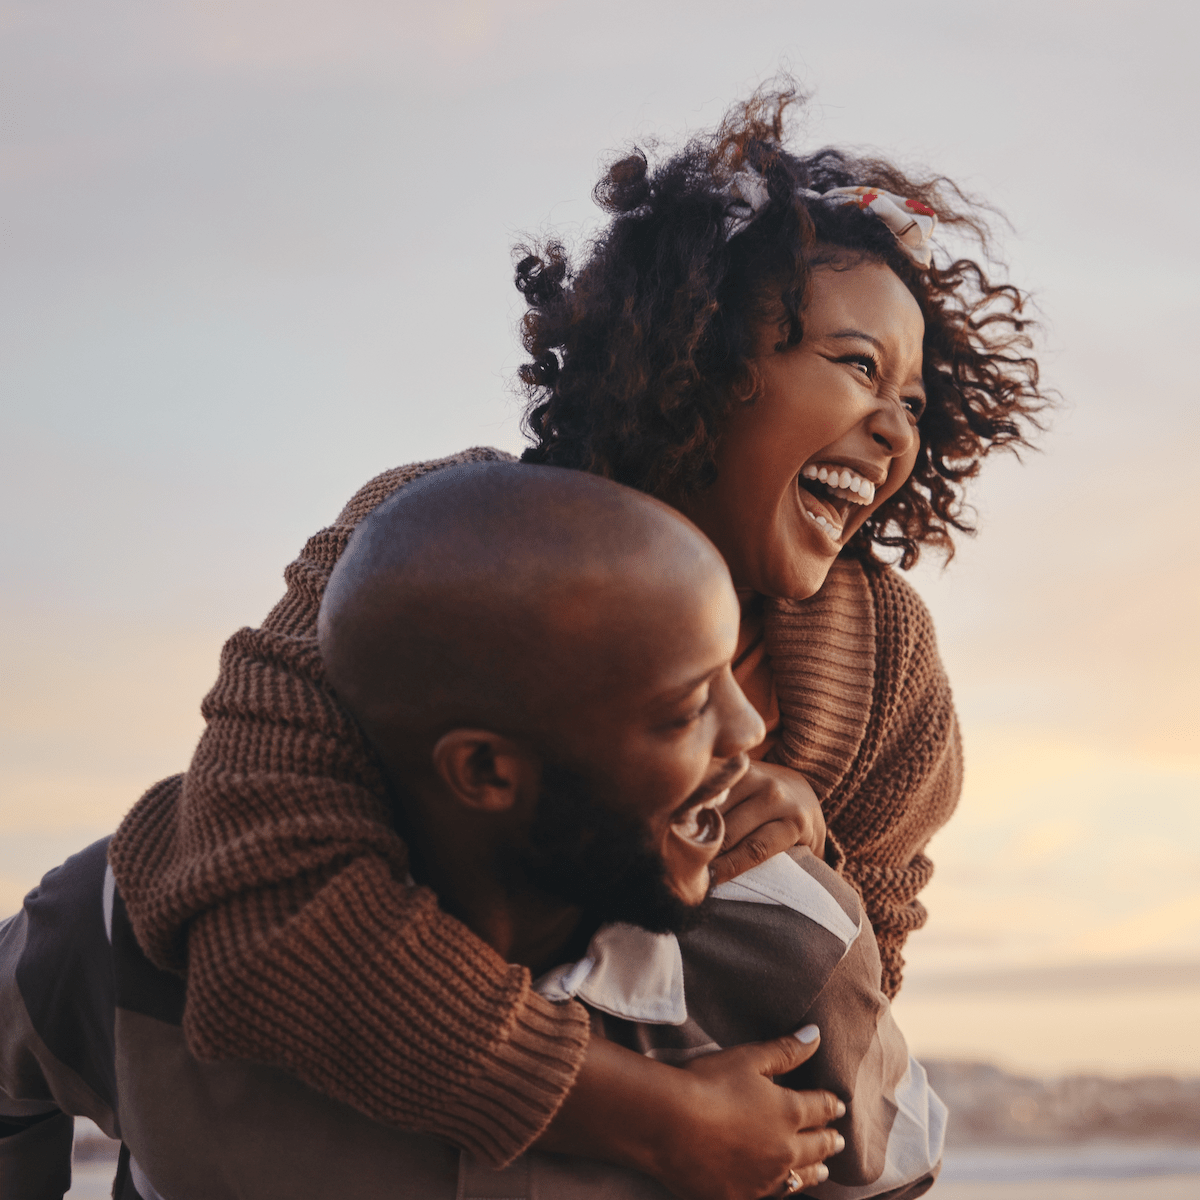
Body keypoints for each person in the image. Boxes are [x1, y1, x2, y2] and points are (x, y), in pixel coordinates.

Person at [106, 86, 1046, 1198]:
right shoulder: (431, 545)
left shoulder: (885, 662)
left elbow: (853, 1001)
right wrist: (647, 1118)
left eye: (915, 398)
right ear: (700, 353)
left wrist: (817, 866)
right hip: (311, 1133)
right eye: (854, 365)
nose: (896, 429)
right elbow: (263, 908)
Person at [0, 463, 942, 1200]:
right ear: (486, 770)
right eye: (686, 708)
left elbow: (894, 1180)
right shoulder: (130, 922)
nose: (751, 739)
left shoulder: (792, 945)